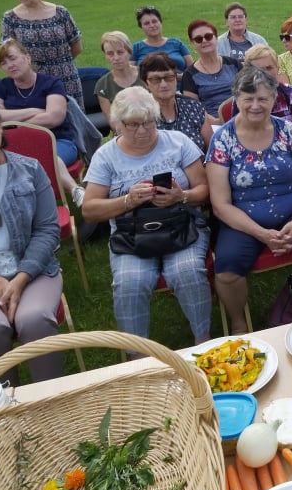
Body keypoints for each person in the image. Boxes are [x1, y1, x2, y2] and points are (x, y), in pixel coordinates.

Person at [81, 87, 211, 345]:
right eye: (133, 125)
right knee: (130, 282)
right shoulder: (106, 156)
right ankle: (137, 356)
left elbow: (205, 190)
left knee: (186, 271)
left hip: (181, 226)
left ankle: (203, 340)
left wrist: (180, 196)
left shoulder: (177, 142)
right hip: (132, 234)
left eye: (149, 122)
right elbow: (89, 209)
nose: (142, 131)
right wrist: (128, 201)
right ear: (118, 124)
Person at [0, 88, 63, 385]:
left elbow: (48, 229)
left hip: (35, 270)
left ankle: (48, 404)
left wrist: (21, 277)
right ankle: (0, 409)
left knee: (34, 318)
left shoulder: (30, 170)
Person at [206, 65, 292, 333]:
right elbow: (220, 204)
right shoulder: (222, 140)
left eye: (263, 98)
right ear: (236, 99)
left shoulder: (287, 130)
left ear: (274, 99)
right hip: (244, 220)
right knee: (226, 272)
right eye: (247, 99)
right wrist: (262, 234)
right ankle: (240, 325)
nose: (255, 105)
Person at [0, 39, 85, 206]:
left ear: (27, 57)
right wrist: (34, 111)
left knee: (46, 157)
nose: (9, 65)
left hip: (57, 141)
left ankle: (75, 190)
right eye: (3, 63)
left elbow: (54, 118)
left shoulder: (51, 83)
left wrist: (15, 123)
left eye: (12, 58)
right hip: (13, 146)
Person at [0, 0, 83, 108]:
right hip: (32, 82)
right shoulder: (10, 18)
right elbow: (7, 54)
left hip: (66, 78)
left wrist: (61, 64)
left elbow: (76, 46)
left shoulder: (60, 13)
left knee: (73, 122)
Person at [140, 52, 211, 152]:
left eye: (169, 77)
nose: (163, 84)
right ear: (146, 83)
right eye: (156, 79)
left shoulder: (193, 107)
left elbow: (212, 149)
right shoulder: (138, 114)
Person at [181, 19, 241, 120]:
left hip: (241, 118)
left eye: (208, 36)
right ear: (192, 43)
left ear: (216, 38)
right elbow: (193, 109)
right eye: (198, 39)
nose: (204, 41)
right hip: (211, 123)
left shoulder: (233, 64)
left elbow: (249, 92)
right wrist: (217, 122)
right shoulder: (190, 75)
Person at [242, 44, 292, 134]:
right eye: (258, 69)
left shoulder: (291, 93)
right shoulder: (242, 97)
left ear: (277, 68)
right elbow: (237, 135)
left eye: (269, 68)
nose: (265, 73)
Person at [95, 31, 144, 129]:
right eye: (110, 54)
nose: (116, 58)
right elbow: (113, 122)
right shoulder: (102, 85)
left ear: (129, 52)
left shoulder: (145, 75)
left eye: (120, 52)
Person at [130, 6, 193, 80]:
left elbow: (192, 69)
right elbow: (131, 74)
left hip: (180, 87)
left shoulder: (176, 43)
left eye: (154, 21)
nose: (152, 25)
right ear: (141, 27)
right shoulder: (136, 48)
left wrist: (180, 77)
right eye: (147, 23)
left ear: (160, 22)